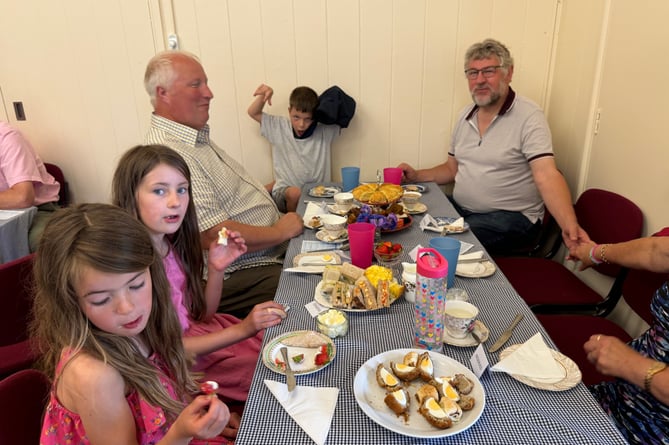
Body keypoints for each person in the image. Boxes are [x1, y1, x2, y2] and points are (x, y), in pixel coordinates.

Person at [31, 203, 230, 444]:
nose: (127, 308)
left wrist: (202, 418)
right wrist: (183, 432)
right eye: (102, 299)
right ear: (70, 302)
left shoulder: (141, 326)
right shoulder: (95, 376)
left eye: (136, 285)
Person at [112, 144, 286, 413]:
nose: (175, 201)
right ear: (130, 196)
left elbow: (203, 314)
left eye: (182, 189)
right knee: (270, 372)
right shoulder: (133, 271)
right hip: (183, 361)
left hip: (203, 334)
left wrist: (216, 269)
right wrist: (241, 330)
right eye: (160, 191)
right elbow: (168, 350)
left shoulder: (171, 246)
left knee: (277, 344)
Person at [143, 50, 303, 319]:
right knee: (311, 291)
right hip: (237, 272)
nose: (209, 93)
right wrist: (279, 231)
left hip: (268, 251)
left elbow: (227, 199)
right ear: (164, 93)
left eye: (205, 83)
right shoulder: (169, 153)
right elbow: (212, 234)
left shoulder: (194, 138)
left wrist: (265, 195)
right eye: (196, 84)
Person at [397, 38, 588, 255]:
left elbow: (547, 175)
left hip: (511, 218)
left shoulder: (529, 116)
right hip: (464, 212)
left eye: (488, 71)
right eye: (472, 73)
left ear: (508, 73)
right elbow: (451, 169)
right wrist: (415, 175)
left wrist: (569, 226)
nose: (479, 80)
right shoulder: (465, 116)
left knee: (442, 245)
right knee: (407, 220)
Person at [569, 235, 669, 444]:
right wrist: (594, 253)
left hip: (651, 430)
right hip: (620, 395)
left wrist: (632, 365)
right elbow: (656, 250)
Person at [247, 84, 346, 213]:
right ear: (289, 111)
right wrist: (263, 96)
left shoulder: (324, 130)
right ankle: (292, 224)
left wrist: (323, 105)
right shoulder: (278, 126)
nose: (301, 125)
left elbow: (347, 109)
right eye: (296, 117)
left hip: (319, 195)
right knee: (295, 193)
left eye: (308, 119)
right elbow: (253, 112)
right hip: (285, 193)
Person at [0, 121, 60, 251]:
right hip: (3, 213)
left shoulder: (7, 138)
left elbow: (23, 197)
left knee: (47, 247)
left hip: (37, 211)